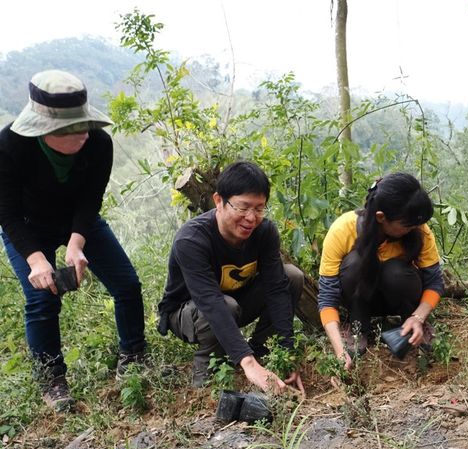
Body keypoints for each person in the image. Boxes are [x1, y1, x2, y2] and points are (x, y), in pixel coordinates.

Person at [0, 70, 147, 411]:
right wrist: (36, 259)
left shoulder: (98, 143)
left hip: (78, 220)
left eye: (83, 125)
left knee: (126, 284)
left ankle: (134, 355)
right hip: (26, 225)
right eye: (69, 130)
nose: (81, 134)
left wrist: (76, 242)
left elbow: (90, 199)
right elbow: (5, 212)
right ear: (44, 130)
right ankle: (52, 381)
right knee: (42, 300)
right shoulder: (9, 147)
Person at [157, 160, 304, 394]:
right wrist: (246, 362)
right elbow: (210, 302)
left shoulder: (264, 232)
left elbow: (276, 289)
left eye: (259, 208)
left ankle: (261, 351)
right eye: (243, 207)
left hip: (234, 304)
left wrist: (287, 352)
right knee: (225, 305)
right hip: (188, 312)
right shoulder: (192, 240)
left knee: (291, 276)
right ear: (219, 201)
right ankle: (207, 370)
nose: (251, 217)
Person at [318, 172, 444, 367]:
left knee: (395, 271)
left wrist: (418, 316)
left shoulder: (418, 229)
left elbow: (434, 281)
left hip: (399, 297)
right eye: (407, 225)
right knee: (356, 262)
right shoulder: (343, 229)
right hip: (359, 299)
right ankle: (358, 327)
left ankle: (410, 322)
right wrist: (339, 349)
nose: (414, 228)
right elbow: (327, 296)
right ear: (381, 217)